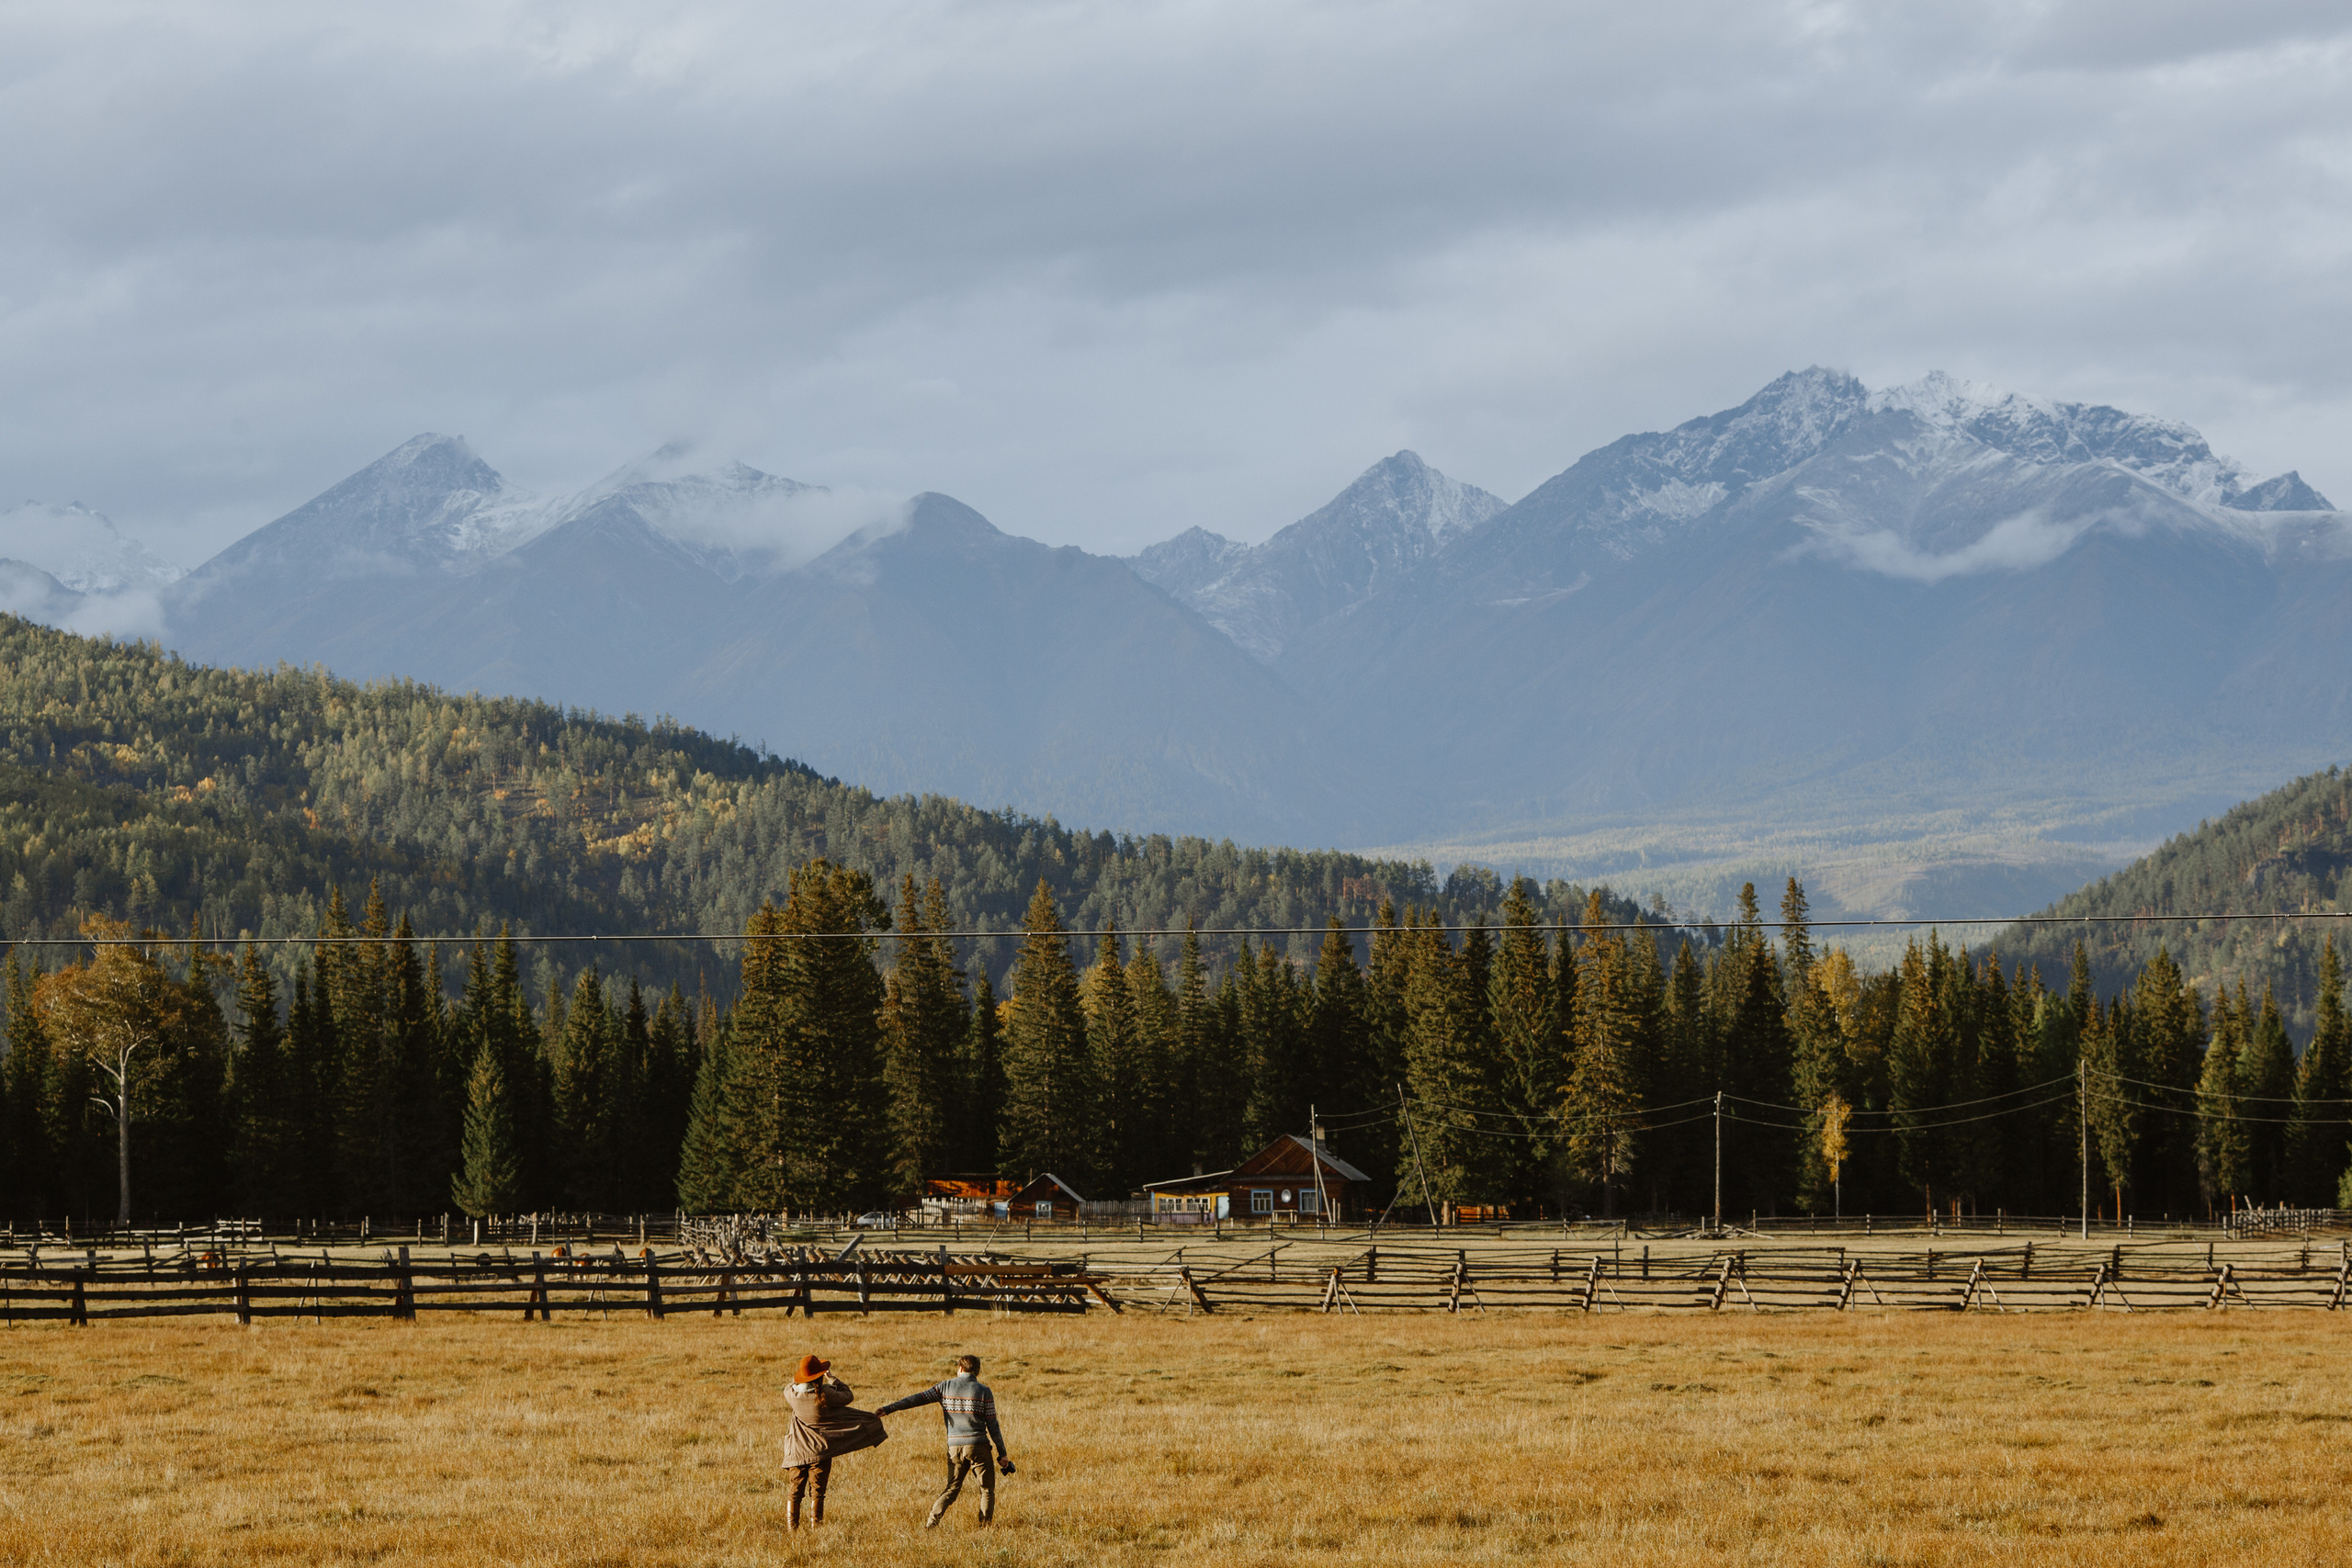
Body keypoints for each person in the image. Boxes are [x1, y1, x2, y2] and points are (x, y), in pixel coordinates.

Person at [876, 1354, 1015, 1529]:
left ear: (960, 1368)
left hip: (954, 1447)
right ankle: (985, 1527)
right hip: (978, 1446)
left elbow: (916, 1399)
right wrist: (1003, 1454)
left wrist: (889, 1409)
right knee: (987, 1490)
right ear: (977, 1371)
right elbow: (993, 1425)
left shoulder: (944, 1387)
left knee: (952, 1488)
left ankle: (931, 1523)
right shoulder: (984, 1391)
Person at [779, 1354, 888, 1529]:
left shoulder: (791, 1395)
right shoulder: (826, 1394)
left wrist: (800, 1377)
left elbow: (789, 1385)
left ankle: (793, 1529)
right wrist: (832, 1379)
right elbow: (848, 1396)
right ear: (819, 1375)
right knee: (818, 1493)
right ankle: (816, 1528)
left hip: (797, 1452)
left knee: (794, 1492)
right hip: (820, 1451)